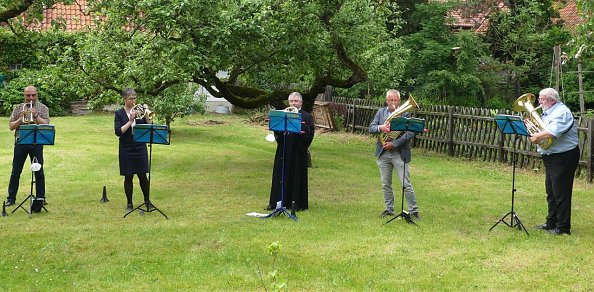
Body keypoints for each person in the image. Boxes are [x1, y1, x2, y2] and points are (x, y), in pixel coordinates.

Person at [529, 88, 579, 235]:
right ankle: (551, 222)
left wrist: (537, 136)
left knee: (561, 192)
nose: (539, 102)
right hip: (551, 155)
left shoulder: (562, 112)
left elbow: (553, 131)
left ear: (552, 100)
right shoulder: (547, 113)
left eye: (542, 99)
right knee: (551, 191)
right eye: (539, 98)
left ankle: (563, 227)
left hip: (564, 156)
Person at [369, 89, 419, 219]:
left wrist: (394, 143)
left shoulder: (406, 114)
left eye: (395, 100)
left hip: (399, 153)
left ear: (399, 101)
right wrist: (381, 127)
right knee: (386, 184)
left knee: (405, 184)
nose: (393, 102)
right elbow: (371, 128)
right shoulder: (381, 112)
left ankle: (413, 210)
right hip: (383, 152)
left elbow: (410, 133)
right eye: (390, 100)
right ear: (386, 101)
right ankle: (389, 209)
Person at [267, 92, 315, 211]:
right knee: (280, 175)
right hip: (283, 149)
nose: (293, 103)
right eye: (291, 101)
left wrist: (300, 128)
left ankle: (296, 203)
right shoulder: (283, 115)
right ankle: (277, 202)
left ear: (301, 103)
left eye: (296, 101)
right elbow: (277, 132)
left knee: (296, 176)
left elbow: (309, 134)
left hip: (298, 151)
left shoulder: (306, 116)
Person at [5, 85, 50, 206]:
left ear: (37, 95)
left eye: (33, 95)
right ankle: (11, 198)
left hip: (36, 143)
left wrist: (35, 116)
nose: (31, 98)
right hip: (21, 142)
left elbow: (46, 125)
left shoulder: (43, 108)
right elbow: (11, 127)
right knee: (16, 171)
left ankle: (41, 197)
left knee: (39, 170)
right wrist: (20, 119)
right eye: (28, 95)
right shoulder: (18, 107)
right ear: (24, 95)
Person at [114, 88, 152, 212]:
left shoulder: (139, 111)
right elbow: (118, 131)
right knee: (128, 176)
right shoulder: (119, 113)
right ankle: (129, 204)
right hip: (126, 148)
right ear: (124, 99)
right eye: (131, 98)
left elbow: (149, 125)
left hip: (139, 146)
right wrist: (130, 120)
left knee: (143, 175)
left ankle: (147, 201)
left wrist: (147, 113)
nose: (133, 101)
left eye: (135, 98)